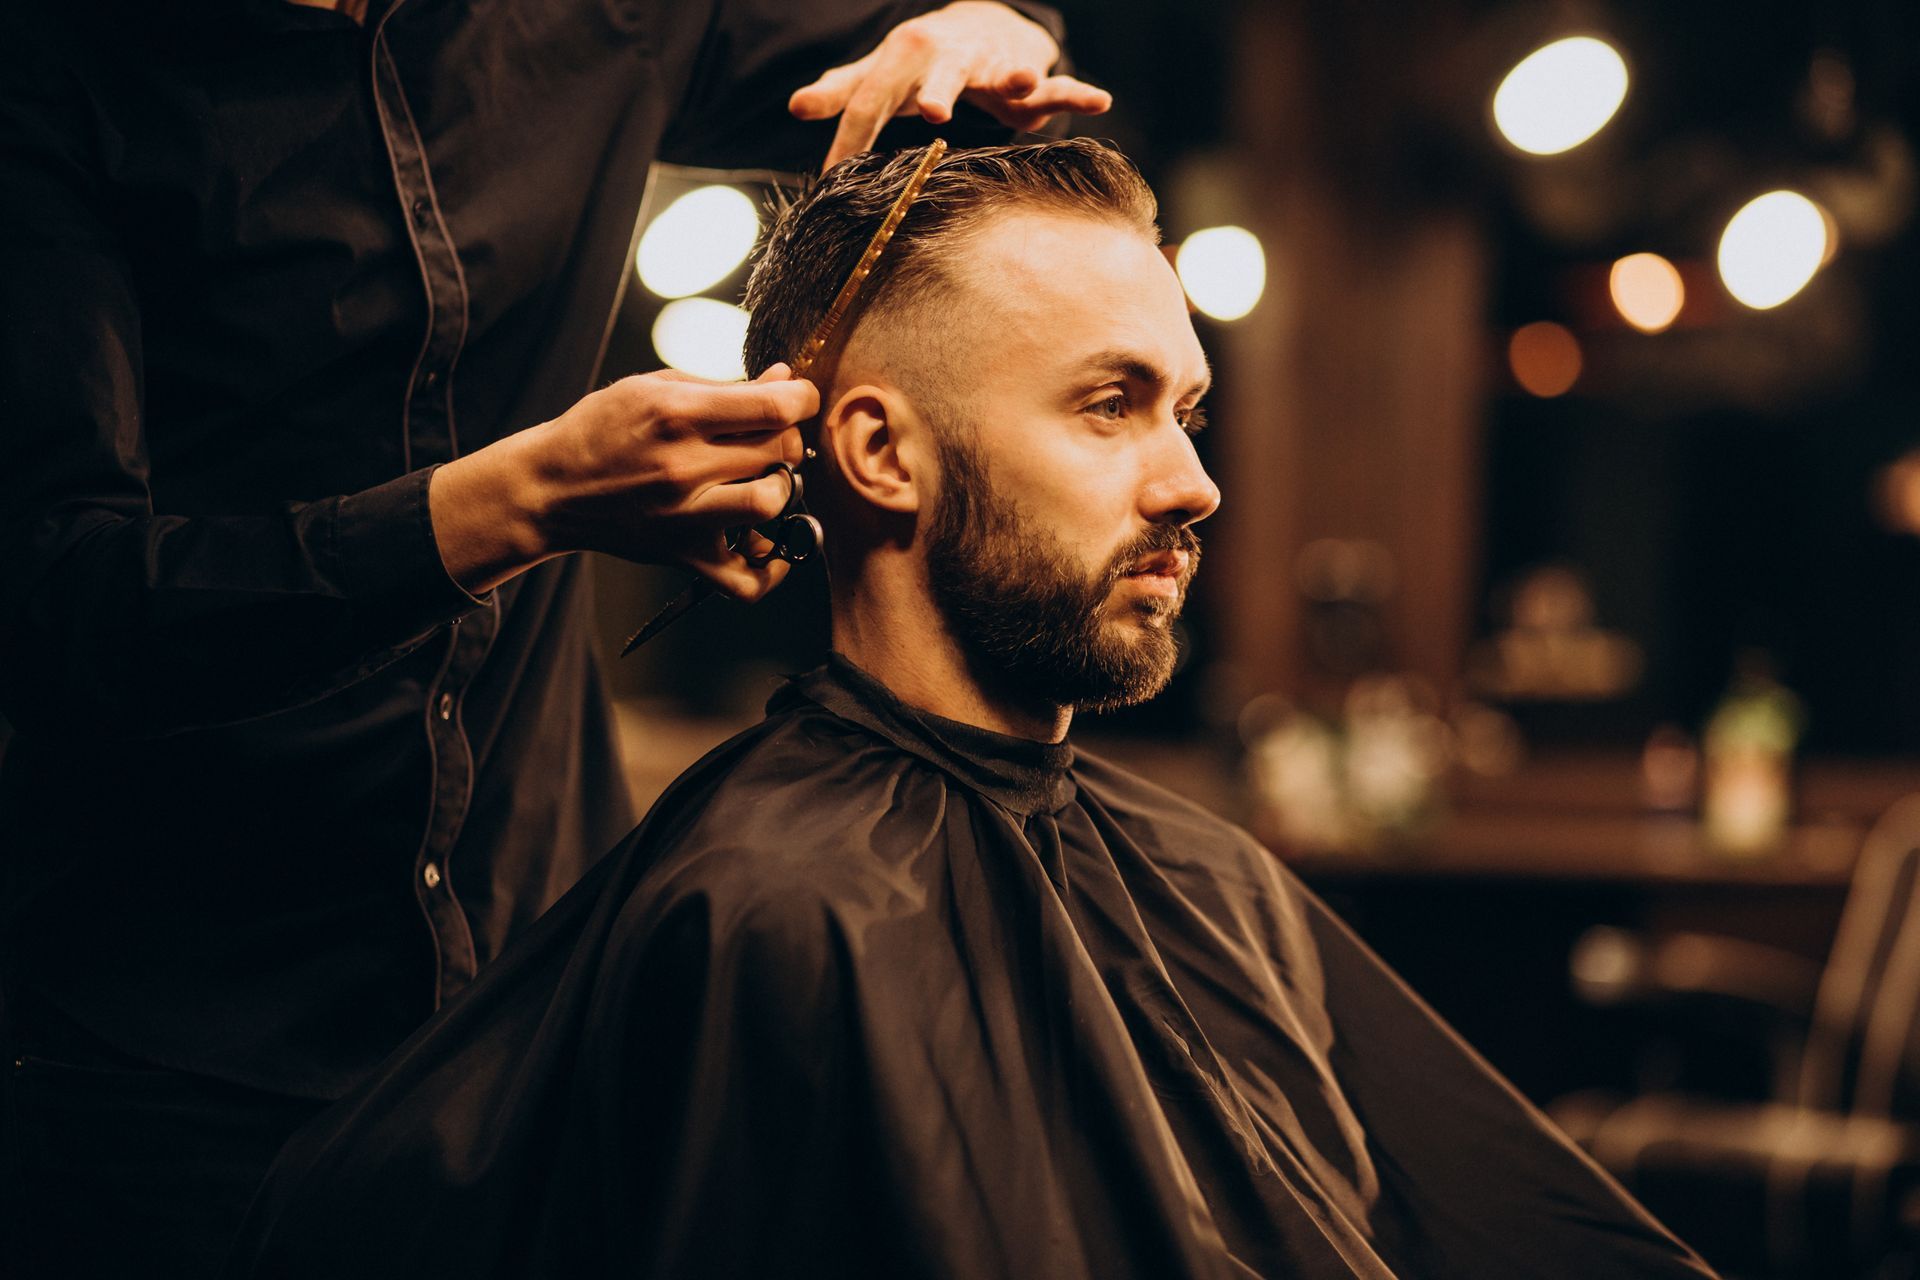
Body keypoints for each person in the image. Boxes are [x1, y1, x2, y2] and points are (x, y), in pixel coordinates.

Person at [228, 139, 1718, 1279]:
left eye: (1187, 412)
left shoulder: (1211, 883)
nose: (1193, 483)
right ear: (879, 451)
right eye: (1108, 404)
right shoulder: (772, 913)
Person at [0, 2, 1108, 1274]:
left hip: (538, 999)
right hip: (171, 1053)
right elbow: (56, 603)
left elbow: (941, 71)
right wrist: (520, 501)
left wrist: (987, 25)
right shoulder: (52, 75)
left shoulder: (599, 20)